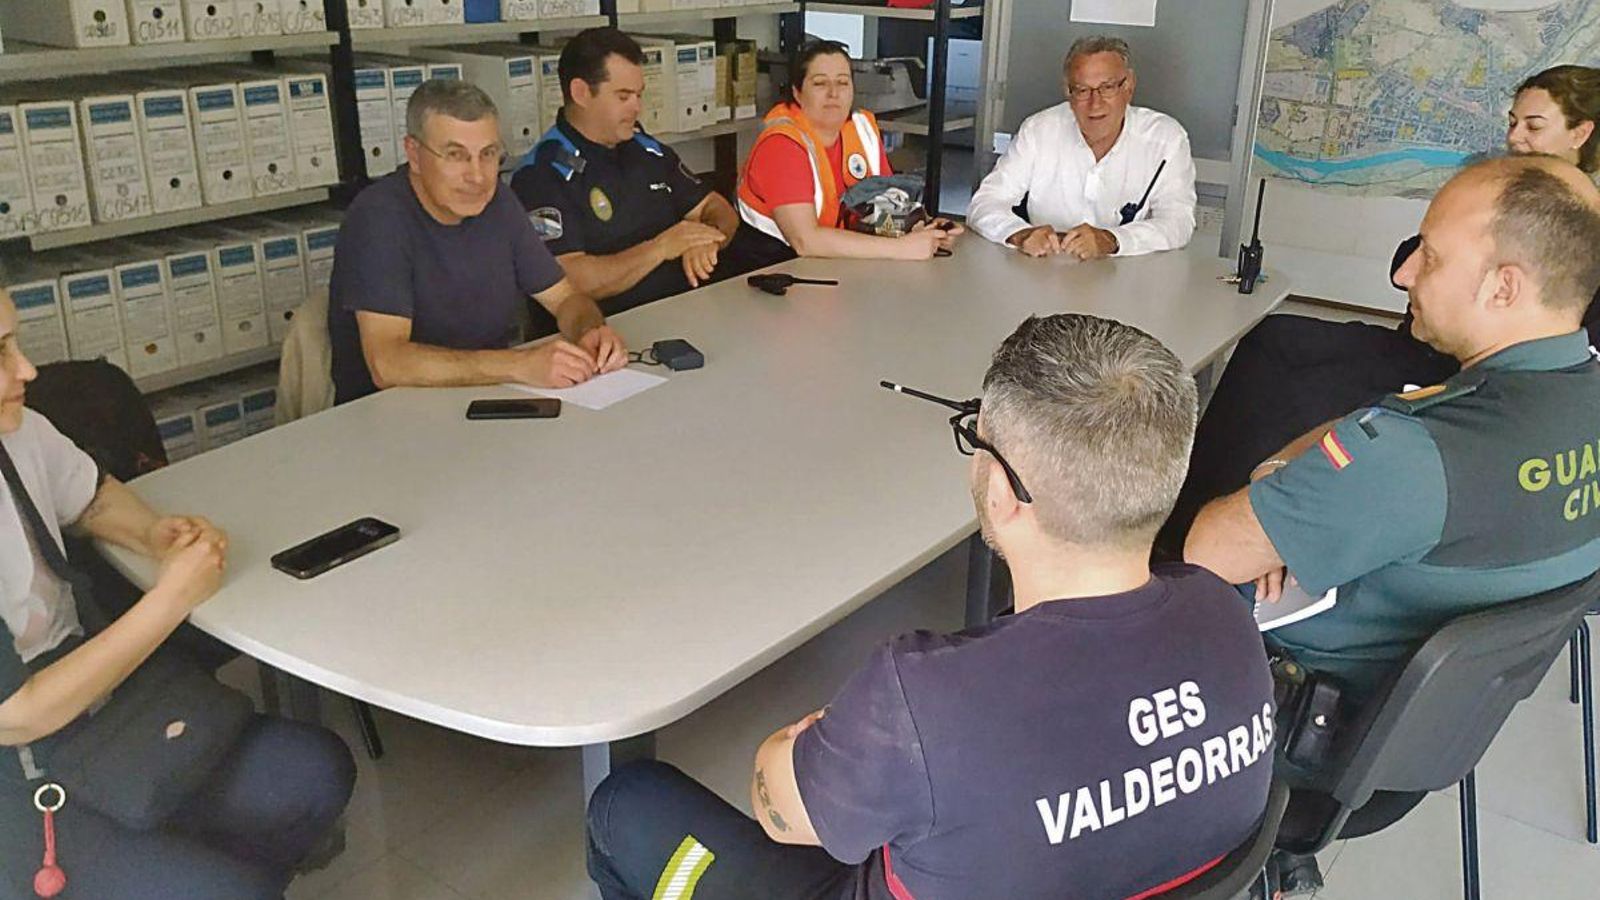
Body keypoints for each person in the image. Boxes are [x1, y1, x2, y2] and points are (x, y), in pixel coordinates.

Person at [586, 315, 1276, 900]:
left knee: (624, 803)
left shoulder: (923, 701)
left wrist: (812, 741)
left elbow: (780, 811)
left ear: (1001, 492)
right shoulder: (1226, 618)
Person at [1187, 155, 1600, 702]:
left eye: (1430, 255)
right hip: (1436, 716)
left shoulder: (1412, 455)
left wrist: (1275, 475)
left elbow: (1207, 551)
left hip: (1277, 695)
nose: (1405, 274)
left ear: (1504, 288)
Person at [0, 290, 356, 898]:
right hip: (20, 757)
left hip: (89, 698)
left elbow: (90, 496)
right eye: (1, 353)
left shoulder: (21, 429)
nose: (27, 370)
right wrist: (171, 598)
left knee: (317, 773)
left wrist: (152, 533)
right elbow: (18, 715)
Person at [1160, 65, 1600, 552]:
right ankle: (1188, 497)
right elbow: (1402, 266)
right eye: (1513, 123)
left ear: (1580, 133)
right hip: (1419, 346)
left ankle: (1214, 522)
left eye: (1534, 126)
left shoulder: (1576, 236)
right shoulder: (1494, 192)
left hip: (1453, 377)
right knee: (1274, 338)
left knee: (1286, 397)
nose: (1516, 137)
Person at [329, 79, 627, 405]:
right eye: (455, 155)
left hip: (485, 396)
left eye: (488, 154)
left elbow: (565, 298)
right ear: (414, 153)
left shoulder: (498, 202)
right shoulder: (378, 217)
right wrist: (520, 365)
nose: (477, 176)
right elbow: (387, 364)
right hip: (390, 414)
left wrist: (590, 331)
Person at [512, 29, 758, 323]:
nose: (637, 108)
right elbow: (569, 280)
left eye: (639, 95)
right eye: (623, 96)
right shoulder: (541, 175)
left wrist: (707, 239)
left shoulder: (646, 149)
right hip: (608, 332)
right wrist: (659, 249)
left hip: (689, 313)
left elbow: (717, 208)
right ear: (581, 93)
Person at [967, 36, 1197, 260]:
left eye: (1107, 87)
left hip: (1128, 275)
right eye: (1082, 90)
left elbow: (1178, 222)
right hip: (1045, 271)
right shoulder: (1039, 129)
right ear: (1068, 91)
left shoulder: (1166, 138)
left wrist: (1112, 240)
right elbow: (984, 203)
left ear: (1128, 86)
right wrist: (1020, 234)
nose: (1095, 103)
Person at [736, 40, 962, 264]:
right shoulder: (782, 145)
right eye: (820, 83)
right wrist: (903, 248)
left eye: (842, 82)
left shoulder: (862, 130)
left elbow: (883, 209)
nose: (833, 93)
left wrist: (925, 229)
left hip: (844, 266)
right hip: (777, 270)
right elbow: (805, 241)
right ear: (797, 92)